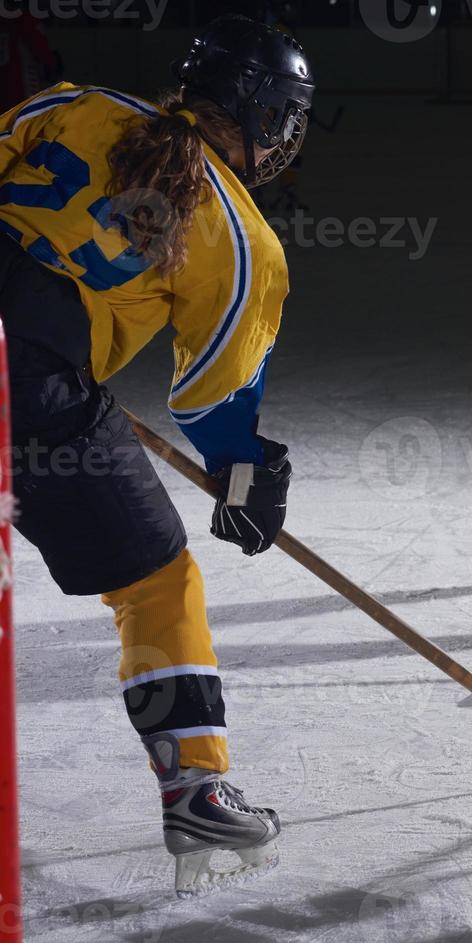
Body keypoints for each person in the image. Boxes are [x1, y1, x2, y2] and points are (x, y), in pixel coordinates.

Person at [0, 15, 314, 892]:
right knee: (155, 582)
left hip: (27, 367)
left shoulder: (82, 106)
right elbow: (211, 397)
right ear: (263, 116)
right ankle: (196, 788)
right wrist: (246, 473)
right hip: (38, 401)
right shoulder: (245, 239)